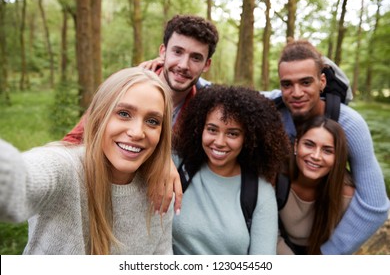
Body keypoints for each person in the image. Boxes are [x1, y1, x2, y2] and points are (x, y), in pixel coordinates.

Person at [0, 67, 174, 254]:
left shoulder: (159, 189)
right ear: (99, 117)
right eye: (124, 114)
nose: (137, 132)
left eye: (153, 121)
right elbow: (19, 182)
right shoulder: (66, 167)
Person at [63, 14, 219, 215]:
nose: (183, 65)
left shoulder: (202, 108)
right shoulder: (126, 87)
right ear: (163, 52)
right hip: (100, 201)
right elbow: (74, 140)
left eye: (196, 57)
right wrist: (162, 159)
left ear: (207, 64)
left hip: (152, 215)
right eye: (177, 52)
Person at [268, 39, 390, 254]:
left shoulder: (349, 124)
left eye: (306, 82)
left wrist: (326, 256)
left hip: (325, 226)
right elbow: (220, 93)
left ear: (322, 82)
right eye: (287, 84)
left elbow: (375, 204)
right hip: (280, 220)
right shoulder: (274, 106)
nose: (296, 92)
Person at [171, 85, 291, 254]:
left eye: (232, 134)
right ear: (200, 128)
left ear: (248, 138)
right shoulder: (178, 164)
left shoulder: (259, 192)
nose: (219, 142)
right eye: (212, 130)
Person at [277, 116, 355, 255]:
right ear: (296, 145)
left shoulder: (346, 192)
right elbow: (270, 236)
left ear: (337, 157)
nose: (316, 156)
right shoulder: (276, 177)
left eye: (327, 150)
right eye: (309, 144)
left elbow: (343, 243)